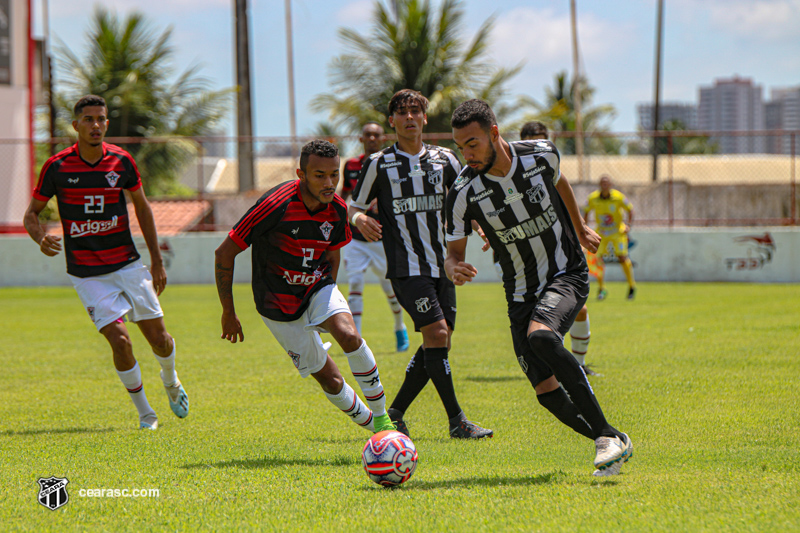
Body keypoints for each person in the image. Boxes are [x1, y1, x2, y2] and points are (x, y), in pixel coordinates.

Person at [446, 99, 632, 476]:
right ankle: (612, 438)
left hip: (566, 271)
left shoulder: (541, 154)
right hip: (518, 292)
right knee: (545, 392)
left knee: (543, 338)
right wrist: (454, 267)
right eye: (460, 146)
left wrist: (578, 227)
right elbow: (453, 251)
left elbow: (559, 179)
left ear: (494, 133)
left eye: (473, 144)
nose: (466, 154)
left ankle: (606, 440)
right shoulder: (463, 191)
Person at [23, 95, 188, 431]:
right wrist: (40, 237)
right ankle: (146, 415)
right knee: (121, 340)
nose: (95, 125)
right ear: (76, 126)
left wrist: (156, 260)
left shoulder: (121, 161)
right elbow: (31, 214)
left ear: (107, 125)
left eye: (100, 119)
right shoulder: (57, 167)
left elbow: (142, 208)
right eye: (88, 120)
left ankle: (170, 380)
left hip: (127, 264)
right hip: (87, 273)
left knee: (159, 339)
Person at [214, 139, 396, 435]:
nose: (330, 183)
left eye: (334, 174)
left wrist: (329, 296)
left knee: (349, 335)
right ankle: (374, 429)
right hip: (276, 304)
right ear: (301, 175)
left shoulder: (337, 209)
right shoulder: (274, 205)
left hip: (316, 287)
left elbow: (334, 251)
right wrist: (228, 312)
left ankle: (384, 419)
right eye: (319, 175)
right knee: (332, 380)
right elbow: (224, 253)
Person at [348, 89, 492, 439]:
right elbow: (352, 205)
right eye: (402, 112)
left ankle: (394, 413)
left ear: (425, 118)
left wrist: (482, 224)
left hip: (443, 265)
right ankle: (457, 421)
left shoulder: (445, 159)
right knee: (438, 334)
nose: (409, 117)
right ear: (391, 120)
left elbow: (466, 199)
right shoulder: (378, 163)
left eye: (416, 111)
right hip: (406, 267)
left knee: (439, 343)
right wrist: (357, 220)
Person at [520, 122, 594, 376]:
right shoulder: (510, 179)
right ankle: (554, 368)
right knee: (538, 319)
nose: (537, 150)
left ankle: (578, 365)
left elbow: (567, 206)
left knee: (578, 309)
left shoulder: (552, 173)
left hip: (560, 254)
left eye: (542, 141)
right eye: (532, 142)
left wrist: (581, 231)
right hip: (526, 260)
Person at [340, 122, 409, 352]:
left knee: (389, 288)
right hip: (355, 238)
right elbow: (344, 195)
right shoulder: (350, 165)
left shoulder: (392, 164)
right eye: (367, 134)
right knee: (355, 282)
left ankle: (400, 327)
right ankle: (355, 338)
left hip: (382, 239)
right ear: (361, 139)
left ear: (383, 138)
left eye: (376, 135)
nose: (371, 138)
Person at [583, 175, 636, 300]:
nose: (605, 185)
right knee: (597, 258)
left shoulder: (618, 197)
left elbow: (630, 210)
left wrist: (628, 225)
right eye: (602, 183)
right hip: (601, 232)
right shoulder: (593, 198)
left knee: (622, 257)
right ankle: (602, 289)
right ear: (599, 185)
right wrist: (585, 229)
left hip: (617, 231)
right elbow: (585, 212)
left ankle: (631, 286)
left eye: (607, 183)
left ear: (611, 185)